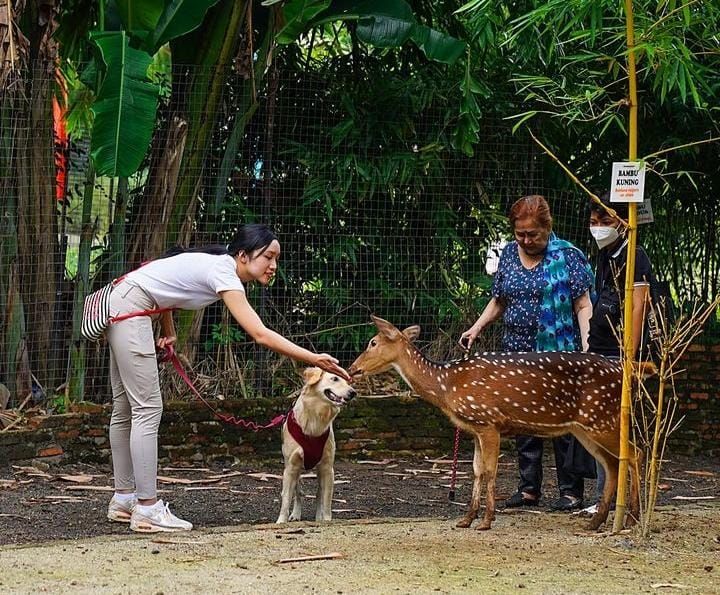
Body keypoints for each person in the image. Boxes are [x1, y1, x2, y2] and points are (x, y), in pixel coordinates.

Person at [105, 224, 350, 533]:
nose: (274, 266)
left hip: (124, 302)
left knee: (126, 408)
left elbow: (159, 282)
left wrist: (169, 330)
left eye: (277, 258)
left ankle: (124, 500)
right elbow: (260, 334)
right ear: (243, 255)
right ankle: (147, 508)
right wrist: (313, 358)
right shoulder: (224, 273)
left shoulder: (217, 263)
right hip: (133, 310)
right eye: (268, 257)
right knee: (147, 409)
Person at [460, 195, 594, 511]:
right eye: (520, 233)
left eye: (533, 234)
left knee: (563, 422)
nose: (526, 240)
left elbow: (583, 304)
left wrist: (588, 349)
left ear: (547, 228)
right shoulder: (508, 255)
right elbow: (499, 300)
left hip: (558, 356)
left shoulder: (568, 257)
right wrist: (476, 328)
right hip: (515, 353)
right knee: (520, 420)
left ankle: (571, 491)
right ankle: (528, 488)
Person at [579, 193, 652, 515]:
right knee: (599, 423)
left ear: (624, 222)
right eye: (594, 223)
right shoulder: (608, 254)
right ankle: (605, 499)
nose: (598, 229)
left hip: (619, 352)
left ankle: (623, 500)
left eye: (605, 222)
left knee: (609, 426)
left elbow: (639, 303)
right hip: (601, 347)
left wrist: (629, 354)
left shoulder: (634, 255)